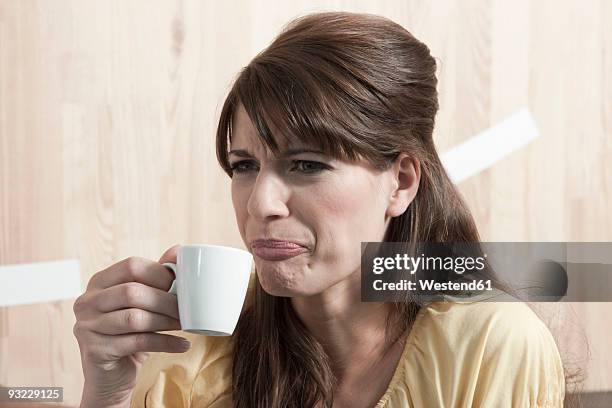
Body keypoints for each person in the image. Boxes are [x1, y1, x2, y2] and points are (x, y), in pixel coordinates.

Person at [73, 11, 566, 408]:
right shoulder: (189, 351)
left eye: (306, 164)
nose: (261, 205)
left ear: (401, 182)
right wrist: (106, 395)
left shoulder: (490, 349)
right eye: (244, 166)